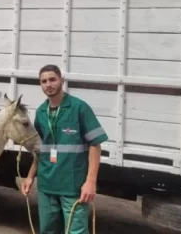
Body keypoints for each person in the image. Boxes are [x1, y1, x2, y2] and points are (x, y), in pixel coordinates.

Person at [21, 64, 108, 234]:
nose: (48, 84)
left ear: (61, 80)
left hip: (72, 186)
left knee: (76, 231)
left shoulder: (79, 108)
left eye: (52, 79)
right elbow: (41, 150)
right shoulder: (41, 113)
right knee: (48, 230)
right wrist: (30, 176)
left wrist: (90, 182)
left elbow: (95, 145)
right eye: (43, 81)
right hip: (46, 185)